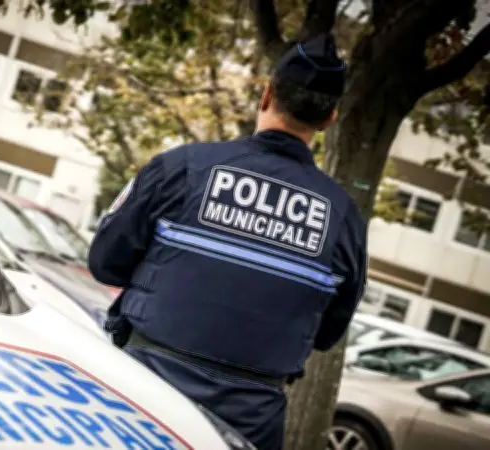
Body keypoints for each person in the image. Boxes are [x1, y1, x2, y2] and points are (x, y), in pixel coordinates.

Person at [87, 32, 367, 450]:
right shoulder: (344, 218)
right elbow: (328, 333)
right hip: (249, 425)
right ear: (329, 119)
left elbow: (105, 261)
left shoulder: (181, 167)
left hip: (139, 399)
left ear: (267, 94)